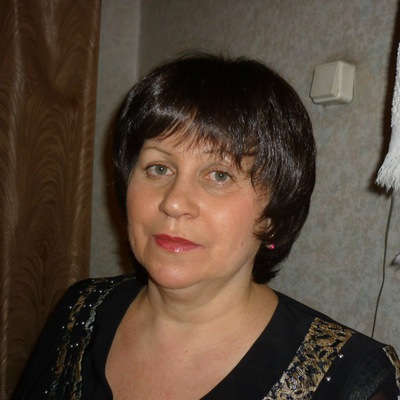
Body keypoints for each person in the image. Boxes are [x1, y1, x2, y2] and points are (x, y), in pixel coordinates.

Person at [13, 53, 400, 400]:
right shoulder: (81, 310)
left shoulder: (350, 379)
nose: (174, 202)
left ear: (272, 215)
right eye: (159, 168)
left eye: (219, 175)